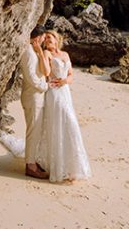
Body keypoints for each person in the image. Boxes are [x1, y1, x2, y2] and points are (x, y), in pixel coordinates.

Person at [36, 30, 91, 183]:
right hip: (53, 92)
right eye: (45, 38)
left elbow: (71, 75)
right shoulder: (47, 53)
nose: (47, 40)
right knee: (61, 124)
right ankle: (59, 167)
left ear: (56, 38)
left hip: (65, 91)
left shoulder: (65, 55)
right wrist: (41, 52)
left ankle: (72, 167)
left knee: (69, 125)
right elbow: (46, 72)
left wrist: (65, 81)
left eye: (50, 37)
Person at [19, 30, 53, 179]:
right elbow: (31, 78)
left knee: (36, 131)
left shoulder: (33, 51)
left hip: (36, 96)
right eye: (44, 38)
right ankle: (30, 166)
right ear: (37, 37)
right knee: (33, 131)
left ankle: (32, 161)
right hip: (32, 97)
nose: (45, 41)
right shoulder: (28, 52)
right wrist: (46, 86)